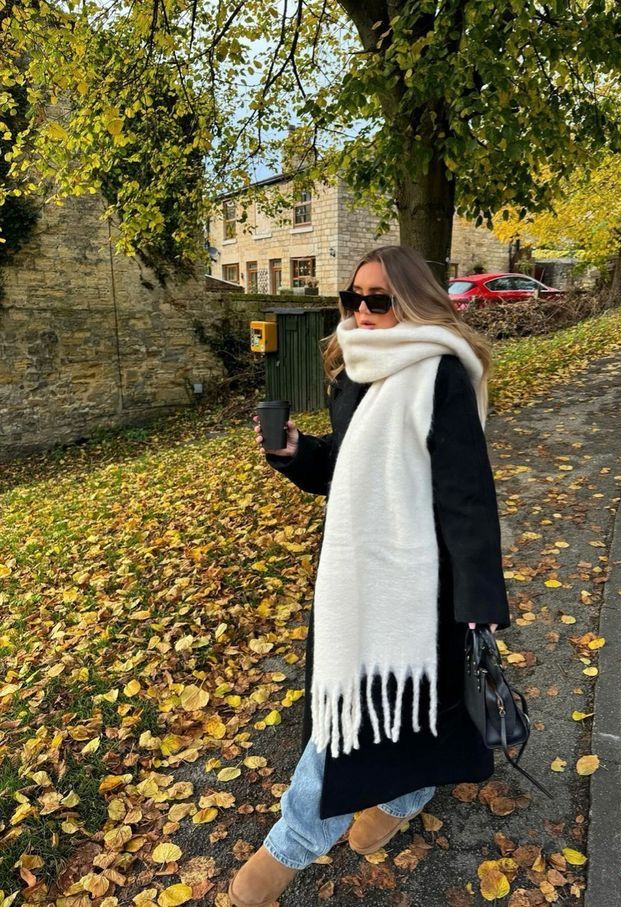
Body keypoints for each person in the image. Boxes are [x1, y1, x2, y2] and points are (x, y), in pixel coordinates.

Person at [228, 245, 511, 907]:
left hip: (421, 585)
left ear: (410, 301)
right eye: (352, 297)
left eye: (377, 299)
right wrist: (295, 452)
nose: (361, 310)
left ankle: (290, 845)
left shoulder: (440, 373)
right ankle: (402, 798)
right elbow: (344, 468)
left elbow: (466, 493)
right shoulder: (355, 370)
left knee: (376, 712)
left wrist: (479, 596)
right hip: (355, 578)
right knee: (378, 709)